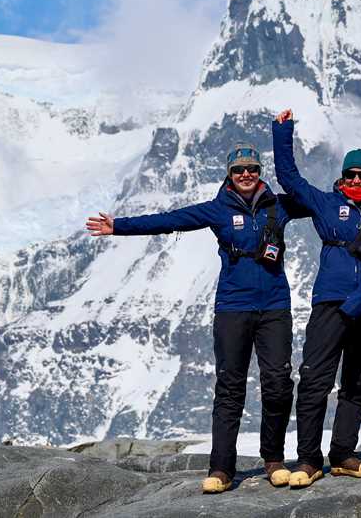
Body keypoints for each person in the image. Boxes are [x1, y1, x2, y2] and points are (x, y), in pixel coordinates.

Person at [85, 142, 306, 495]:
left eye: (252, 169)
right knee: (230, 387)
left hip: (275, 307)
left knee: (278, 384)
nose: (246, 175)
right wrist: (119, 226)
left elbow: (324, 204)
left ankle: (274, 460)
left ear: (259, 172)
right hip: (233, 308)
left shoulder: (280, 206)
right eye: (239, 170)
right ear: (229, 176)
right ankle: (221, 469)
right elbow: (169, 220)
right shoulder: (217, 209)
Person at [271, 109, 361, 488]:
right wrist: (282, 132)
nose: (357, 180)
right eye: (351, 174)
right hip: (330, 303)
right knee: (314, 379)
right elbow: (289, 179)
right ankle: (309, 459)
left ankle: (344, 454)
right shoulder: (324, 203)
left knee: (355, 383)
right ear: (343, 176)